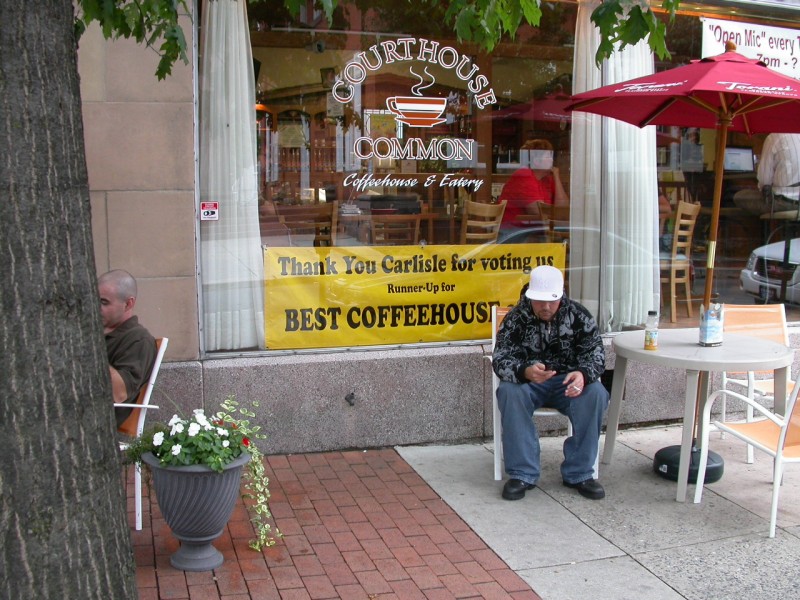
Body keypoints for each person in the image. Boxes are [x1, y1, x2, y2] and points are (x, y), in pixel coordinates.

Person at [492, 265, 609, 501]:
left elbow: (596, 355)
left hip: (567, 381)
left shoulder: (579, 315)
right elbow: (500, 358)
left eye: (551, 301)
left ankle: (580, 472)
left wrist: (583, 375)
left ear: (561, 295)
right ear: (531, 297)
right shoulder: (516, 318)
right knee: (509, 392)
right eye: (540, 301)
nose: (545, 307)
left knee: (595, 392)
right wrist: (524, 371)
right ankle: (522, 473)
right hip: (529, 382)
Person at [98, 269, 157, 429]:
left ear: (128, 304)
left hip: (99, 421)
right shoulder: (98, 332)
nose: (97, 307)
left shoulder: (138, 339)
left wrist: (91, 350)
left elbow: (119, 393)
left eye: (104, 302)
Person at [498, 138, 569, 229]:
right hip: (513, 233)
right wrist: (557, 213)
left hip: (534, 230)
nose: (552, 160)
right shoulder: (524, 176)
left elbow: (563, 209)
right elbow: (538, 212)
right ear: (536, 161)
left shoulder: (546, 179)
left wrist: (556, 176)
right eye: (547, 157)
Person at [733, 133, 800, 215]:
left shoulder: (773, 138)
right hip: (796, 203)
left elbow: (765, 182)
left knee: (739, 196)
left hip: (782, 202)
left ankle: (757, 227)